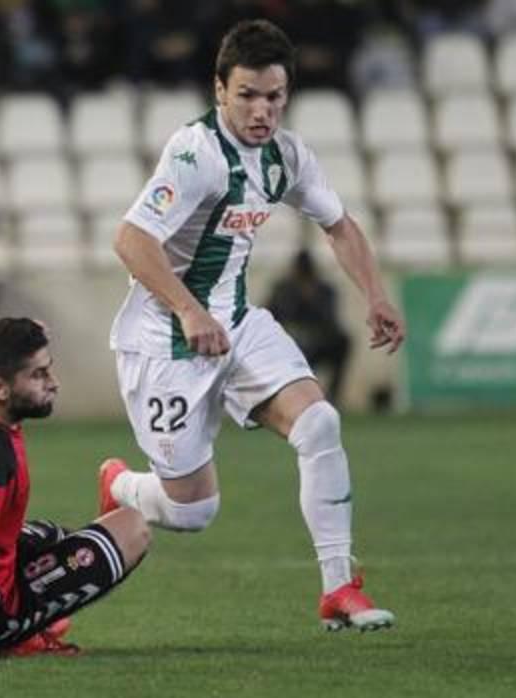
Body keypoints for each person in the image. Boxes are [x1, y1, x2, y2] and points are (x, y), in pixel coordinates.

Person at [101, 19, 404, 633]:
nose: (262, 110)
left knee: (319, 422)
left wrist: (375, 294)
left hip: (236, 324)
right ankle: (122, 484)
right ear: (220, 90)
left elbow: (340, 226)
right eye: (247, 95)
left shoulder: (286, 155)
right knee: (193, 512)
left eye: (274, 97)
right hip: (163, 341)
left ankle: (338, 588)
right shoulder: (195, 154)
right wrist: (188, 309)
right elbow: (131, 239)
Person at [0, 318, 151, 667]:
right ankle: (19, 637)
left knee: (50, 534)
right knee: (135, 527)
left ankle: (85, 545)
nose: (53, 384)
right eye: (38, 375)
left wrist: (20, 328)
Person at [266, 249, 352, 402]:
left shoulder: (324, 289)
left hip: (319, 340)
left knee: (343, 341)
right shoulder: (283, 288)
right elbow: (270, 316)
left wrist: (312, 299)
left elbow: (330, 319)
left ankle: (333, 396)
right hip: (289, 339)